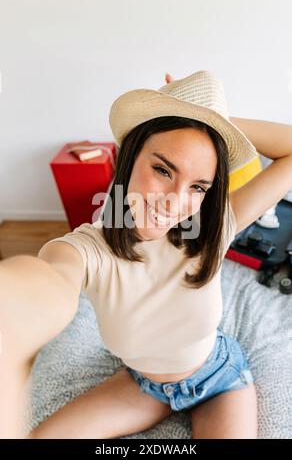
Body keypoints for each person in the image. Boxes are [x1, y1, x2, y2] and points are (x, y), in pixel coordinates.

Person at [1, 70, 292, 440]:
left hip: (219, 379)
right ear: (130, 158)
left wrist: (214, 118)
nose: (175, 200)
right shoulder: (89, 248)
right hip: (144, 385)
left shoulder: (214, 230)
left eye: (198, 186)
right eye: (162, 169)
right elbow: (51, 278)